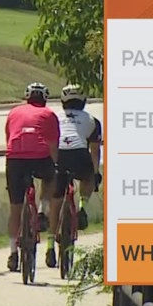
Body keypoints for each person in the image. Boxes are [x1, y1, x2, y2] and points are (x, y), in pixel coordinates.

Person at [4, 82, 60, 272]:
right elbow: (53, 145)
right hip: (39, 157)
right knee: (51, 178)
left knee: (15, 208)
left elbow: (9, 137)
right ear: (44, 99)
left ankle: (13, 252)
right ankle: (43, 210)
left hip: (15, 158)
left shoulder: (13, 112)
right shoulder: (49, 114)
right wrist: (55, 165)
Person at [51, 84, 103, 235]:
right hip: (79, 154)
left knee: (56, 200)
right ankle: (82, 206)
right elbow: (94, 151)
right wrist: (95, 172)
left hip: (59, 155)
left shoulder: (54, 117)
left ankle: (49, 244)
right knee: (89, 178)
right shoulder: (92, 120)